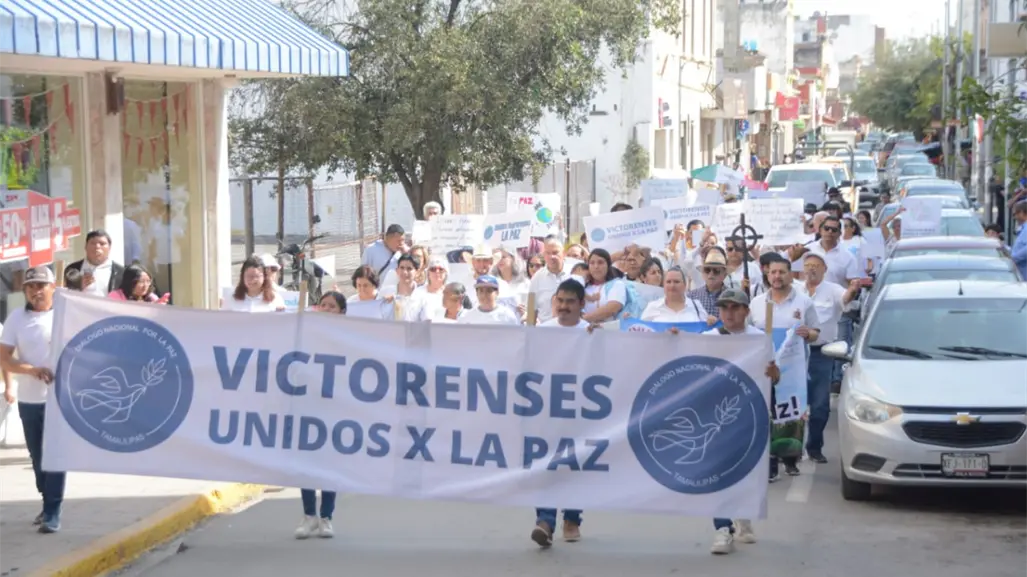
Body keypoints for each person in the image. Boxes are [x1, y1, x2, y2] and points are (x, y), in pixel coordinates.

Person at [699, 288, 780, 555]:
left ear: (746, 311)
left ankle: (743, 513)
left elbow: (774, 378)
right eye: (724, 308)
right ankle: (723, 528)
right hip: (716, 416)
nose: (729, 313)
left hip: (748, 415)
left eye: (735, 307)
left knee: (743, 469)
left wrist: (773, 372)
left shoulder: (760, 340)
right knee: (718, 471)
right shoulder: (708, 339)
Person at [0, 266, 64, 533]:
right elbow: (4, 358)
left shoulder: (65, 314)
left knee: (56, 456)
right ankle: (46, 499)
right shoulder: (17, 318)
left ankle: (53, 511)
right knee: (38, 457)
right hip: (29, 400)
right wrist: (31, 370)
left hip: (60, 401)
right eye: (30, 287)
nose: (36, 291)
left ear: (53, 287)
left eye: (41, 285)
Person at [532, 279, 596, 546]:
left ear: (581, 304)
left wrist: (601, 339)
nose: (564, 306)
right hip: (547, 410)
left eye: (570, 302)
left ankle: (572, 518)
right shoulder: (542, 332)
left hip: (581, 411)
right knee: (546, 464)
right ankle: (545, 521)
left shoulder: (592, 333)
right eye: (560, 300)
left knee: (574, 465)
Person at [295, 291, 347, 539]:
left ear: (342, 312)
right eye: (323, 305)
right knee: (305, 462)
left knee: (329, 464)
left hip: (335, 407)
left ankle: (326, 517)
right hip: (308, 403)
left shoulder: (352, 339)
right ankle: (309, 516)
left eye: (332, 306)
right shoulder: (307, 335)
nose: (326, 309)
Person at [66, 229, 125, 297]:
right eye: (93, 243)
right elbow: (64, 294)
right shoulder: (72, 269)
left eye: (102, 244)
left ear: (109, 248)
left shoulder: (121, 272)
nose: (97, 247)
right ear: (85, 246)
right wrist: (77, 286)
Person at [222, 256, 286, 312]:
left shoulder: (275, 299)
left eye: (257, 276)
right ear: (242, 276)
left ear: (264, 276)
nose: (252, 280)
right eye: (249, 276)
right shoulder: (231, 299)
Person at [1010, 202, 1027, 280]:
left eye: (1015, 214)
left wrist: (1013, 259)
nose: (1014, 217)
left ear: (1022, 212)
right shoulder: (1023, 228)